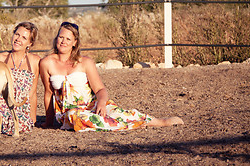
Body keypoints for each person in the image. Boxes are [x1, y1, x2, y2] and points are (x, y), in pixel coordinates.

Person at [40, 21, 184, 131]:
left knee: (118, 113)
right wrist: (48, 122)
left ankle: (158, 122)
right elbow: (48, 93)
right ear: (56, 38)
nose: (63, 41)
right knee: (77, 116)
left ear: (75, 43)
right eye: (61, 37)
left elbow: (100, 90)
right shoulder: (46, 62)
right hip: (69, 113)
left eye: (68, 39)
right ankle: (126, 125)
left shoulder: (85, 62)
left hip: (93, 105)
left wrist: (102, 104)